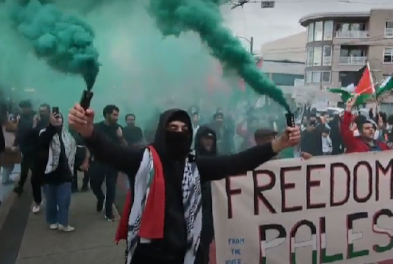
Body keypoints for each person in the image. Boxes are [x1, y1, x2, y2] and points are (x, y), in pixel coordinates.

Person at [67, 104, 300, 264]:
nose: (179, 133)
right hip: (148, 255)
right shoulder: (142, 160)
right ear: (161, 130)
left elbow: (235, 163)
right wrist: (89, 132)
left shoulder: (196, 165)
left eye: (184, 130)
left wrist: (276, 145)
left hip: (186, 254)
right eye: (172, 128)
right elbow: (111, 153)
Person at [38, 113, 76, 232]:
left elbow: (73, 151)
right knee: (51, 201)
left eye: (59, 117)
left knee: (64, 200)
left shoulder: (67, 135)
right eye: (55, 117)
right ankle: (52, 220)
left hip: (65, 173)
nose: (57, 119)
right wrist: (52, 127)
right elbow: (43, 142)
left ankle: (63, 223)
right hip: (49, 173)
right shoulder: (44, 132)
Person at [90, 104, 125, 221]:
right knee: (94, 184)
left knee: (111, 187)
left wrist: (120, 137)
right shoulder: (97, 127)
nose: (116, 117)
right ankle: (100, 198)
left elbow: (125, 146)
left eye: (117, 115)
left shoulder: (118, 128)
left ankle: (109, 212)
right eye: (114, 115)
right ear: (107, 114)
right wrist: (86, 160)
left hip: (113, 162)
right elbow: (89, 144)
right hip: (99, 161)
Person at [193, 126, 216, 264]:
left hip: (212, 212)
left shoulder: (218, 159)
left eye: (211, 139)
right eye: (205, 139)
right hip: (195, 211)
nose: (208, 142)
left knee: (205, 246)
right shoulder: (191, 159)